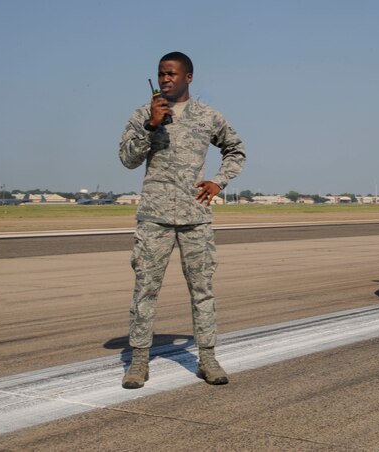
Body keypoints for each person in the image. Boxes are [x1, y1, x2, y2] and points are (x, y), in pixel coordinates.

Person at [118, 51, 245, 389]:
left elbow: (236, 149)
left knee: (202, 290)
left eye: (171, 74)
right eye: (161, 74)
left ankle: (207, 358)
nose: (165, 79)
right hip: (155, 217)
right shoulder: (143, 115)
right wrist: (151, 125)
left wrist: (219, 181)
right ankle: (138, 363)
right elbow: (127, 159)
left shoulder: (207, 116)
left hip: (195, 216)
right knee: (145, 290)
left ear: (188, 77)